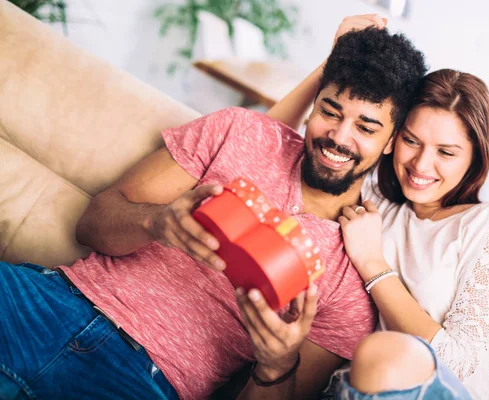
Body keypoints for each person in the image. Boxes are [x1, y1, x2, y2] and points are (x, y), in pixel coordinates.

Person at [0, 22, 428, 400]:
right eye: (329, 112)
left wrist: (277, 363)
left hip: (146, 380)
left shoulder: (349, 278)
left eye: (366, 127)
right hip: (47, 302)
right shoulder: (240, 131)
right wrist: (156, 221)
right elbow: (93, 223)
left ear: (392, 141)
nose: (338, 136)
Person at [267, 17, 489, 400]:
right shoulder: (377, 201)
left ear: (476, 157)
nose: (421, 166)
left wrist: (374, 266)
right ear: (392, 139)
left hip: (436, 391)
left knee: (386, 353)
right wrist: (334, 63)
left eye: (446, 152)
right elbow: (265, 150)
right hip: (344, 389)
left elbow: (458, 365)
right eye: (412, 141)